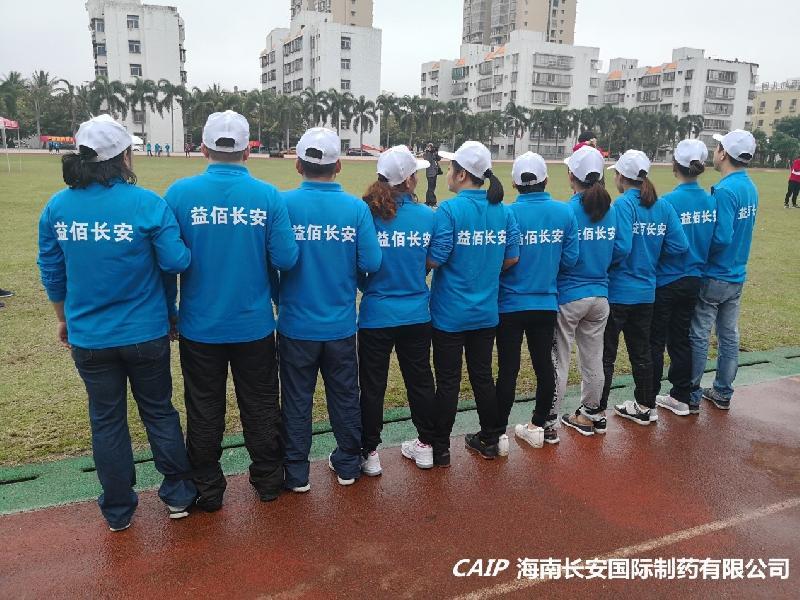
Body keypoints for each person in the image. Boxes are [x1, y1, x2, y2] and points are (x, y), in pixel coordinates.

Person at [37, 114, 196, 532]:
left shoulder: (58, 207)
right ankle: (179, 494)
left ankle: (118, 509)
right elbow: (176, 261)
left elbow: (52, 271)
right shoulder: (147, 204)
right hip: (145, 332)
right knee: (158, 411)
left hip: (89, 336)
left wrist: (63, 319)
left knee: (106, 420)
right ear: (123, 156)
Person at [164, 110, 298, 511]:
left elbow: (168, 261)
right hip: (253, 325)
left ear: (203, 149)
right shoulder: (268, 196)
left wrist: (170, 309)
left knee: (204, 409)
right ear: (247, 151)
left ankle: (208, 488)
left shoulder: (179, 194)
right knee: (260, 405)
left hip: (199, 326)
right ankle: (269, 480)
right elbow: (286, 258)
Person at [278, 127, 382, 491]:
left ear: (298, 165)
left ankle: (296, 472)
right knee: (344, 397)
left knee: (296, 400)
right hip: (339, 325)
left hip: (296, 325)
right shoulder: (355, 208)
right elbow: (371, 261)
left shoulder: (283, 204)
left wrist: (279, 296)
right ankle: (349, 465)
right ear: (338, 166)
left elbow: (274, 260)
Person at [425, 141, 520, 462]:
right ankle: (490, 439)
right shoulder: (504, 211)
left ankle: (440, 449)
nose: (447, 173)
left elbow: (436, 258)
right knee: (482, 377)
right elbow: (512, 258)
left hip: (449, 314)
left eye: (451, 168)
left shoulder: (449, 210)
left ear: (462, 174)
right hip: (485, 312)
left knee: (448, 382)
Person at [358, 146, 436, 473]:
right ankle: (426, 445)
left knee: (372, 385)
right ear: (409, 179)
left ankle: (369, 452)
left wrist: (369, 288)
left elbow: (359, 265)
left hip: (377, 313)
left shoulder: (367, 215)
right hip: (416, 312)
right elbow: (431, 262)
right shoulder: (427, 217)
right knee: (420, 381)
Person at [496, 152, 579, 453]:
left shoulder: (507, 213)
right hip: (545, 302)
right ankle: (537, 425)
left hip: (510, 303)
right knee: (544, 365)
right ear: (545, 180)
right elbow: (570, 259)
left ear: (514, 183)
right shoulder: (564, 212)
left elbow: (500, 259)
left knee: (508, 369)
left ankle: (498, 433)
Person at [602, 150, 688, 426]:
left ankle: (596, 410)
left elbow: (622, 247)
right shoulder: (662, 206)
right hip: (646, 292)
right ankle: (645, 406)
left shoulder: (623, 205)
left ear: (621, 176)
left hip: (619, 291)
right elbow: (680, 245)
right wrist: (651, 257)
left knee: (607, 355)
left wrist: (608, 265)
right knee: (642, 353)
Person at [555, 146, 623, 436]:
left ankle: (549, 417)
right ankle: (591, 412)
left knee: (559, 359)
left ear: (572, 175)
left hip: (570, 295)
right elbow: (621, 249)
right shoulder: (611, 210)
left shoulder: (568, 210)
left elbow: (562, 256)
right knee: (594, 358)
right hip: (600, 294)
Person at [689, 129, 759, 411]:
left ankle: (690, 393)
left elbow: (722, 237)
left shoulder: (725, 190)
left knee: (700, 333)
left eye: (718, 147)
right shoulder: (750, 187)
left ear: (724, 154)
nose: (715, 151)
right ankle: (722, 391)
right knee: (729, 334)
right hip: (737, 272)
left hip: (716, 273)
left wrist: (701, 255)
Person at [650, 140, 716, 417]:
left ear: (675, 165)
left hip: (667, 279)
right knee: (681, 338)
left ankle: (647, 397)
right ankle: (682, 395)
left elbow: (662, 244)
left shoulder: (668, 202)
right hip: (694, 278)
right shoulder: (710, 201)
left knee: (656, 340)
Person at [423, 143, 442, 207]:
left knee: (431, 188)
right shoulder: (426, 154)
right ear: (427, 147)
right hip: (430, 173)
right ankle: (433, 202)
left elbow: (439, 159)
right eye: (429, 147)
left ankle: (428, 201)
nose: (431, 148)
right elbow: (428, 160)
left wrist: (436, 152)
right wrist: (429, 152)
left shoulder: (433, 153)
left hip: (434, 172)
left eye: (431, 147)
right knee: (431, 188)